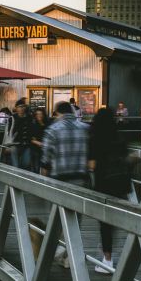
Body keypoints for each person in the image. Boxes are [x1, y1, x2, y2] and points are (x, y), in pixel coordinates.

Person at [41, 100, 90, 269]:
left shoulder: (52, 130)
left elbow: (46, 160)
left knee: (57, 220)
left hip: (59, 179)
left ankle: (59, 253)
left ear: (57, 113)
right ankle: (70, 256)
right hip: (80, 179)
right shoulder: (85, 129)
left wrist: (43, 181)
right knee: (75, 221)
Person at [89, 107, 131, 273]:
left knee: (104, 223)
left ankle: (107, 259)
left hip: (103, 183)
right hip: (120, 183)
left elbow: (91, 164)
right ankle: (111, 253)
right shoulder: (120, 136)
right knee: (113, 221)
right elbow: (127, 158)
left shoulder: (95, 138)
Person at [24, 107, 48, 172]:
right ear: (35, 115)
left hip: (45, 148)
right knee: (36, 165)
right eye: (37, 114)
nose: (39, 115)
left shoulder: (47, 124)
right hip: (35, 148)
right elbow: (29, 137)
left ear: (43, 115)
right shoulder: (33, 124)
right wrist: (36, 141)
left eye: (40, 114)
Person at [12, 102, 33, 169]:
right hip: (15, 144)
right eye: (19, 106)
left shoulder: (29, 117)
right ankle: (16, 177)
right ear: (16, 108)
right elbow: (8, 132)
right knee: (16, 166)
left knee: (26, 163)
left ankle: (21, 174)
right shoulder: (12, 118)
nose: (21, 108)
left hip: (26, 144)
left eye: (23, 106)